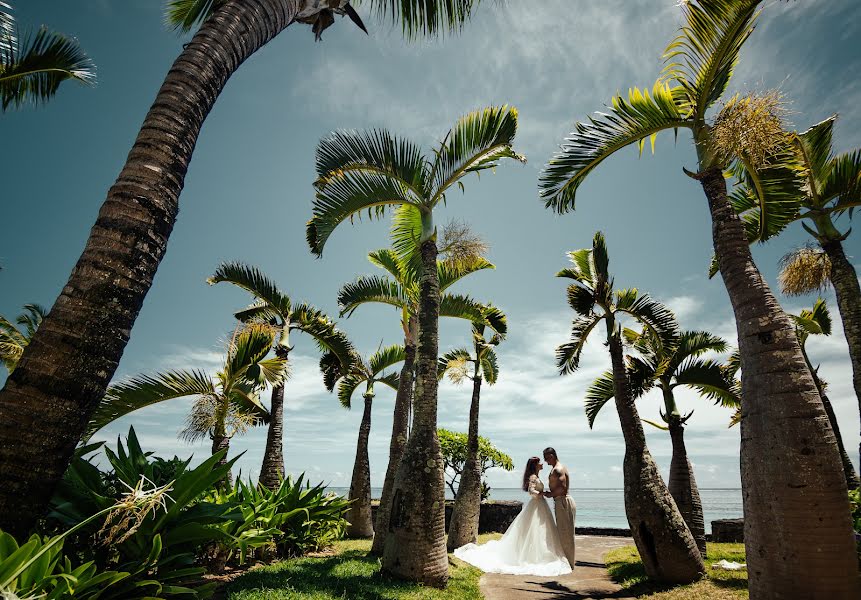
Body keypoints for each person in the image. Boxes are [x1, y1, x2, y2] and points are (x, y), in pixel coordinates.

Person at [452, 456, 572, 576]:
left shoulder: (536, 476)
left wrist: (543, 494)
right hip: (536, 505)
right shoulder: (533, 477)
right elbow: (531, 492)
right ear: (535, 465)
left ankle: (540, 554)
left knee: (540, 531)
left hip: (541, 505)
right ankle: (532, 556)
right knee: (533, 530)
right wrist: (541, 494)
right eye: (539, 463)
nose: (542, 464)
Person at [542, 447, 576, 568]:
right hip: (560, 501)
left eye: (546, 458)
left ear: (552, 455)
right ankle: (567, 561)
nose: (545, 461)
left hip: (563, 502)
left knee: (565, 534)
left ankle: (568, 563)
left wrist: (549, 494)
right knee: (563, 533)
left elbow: (562, 487)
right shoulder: (556, 468)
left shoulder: (558, 469)